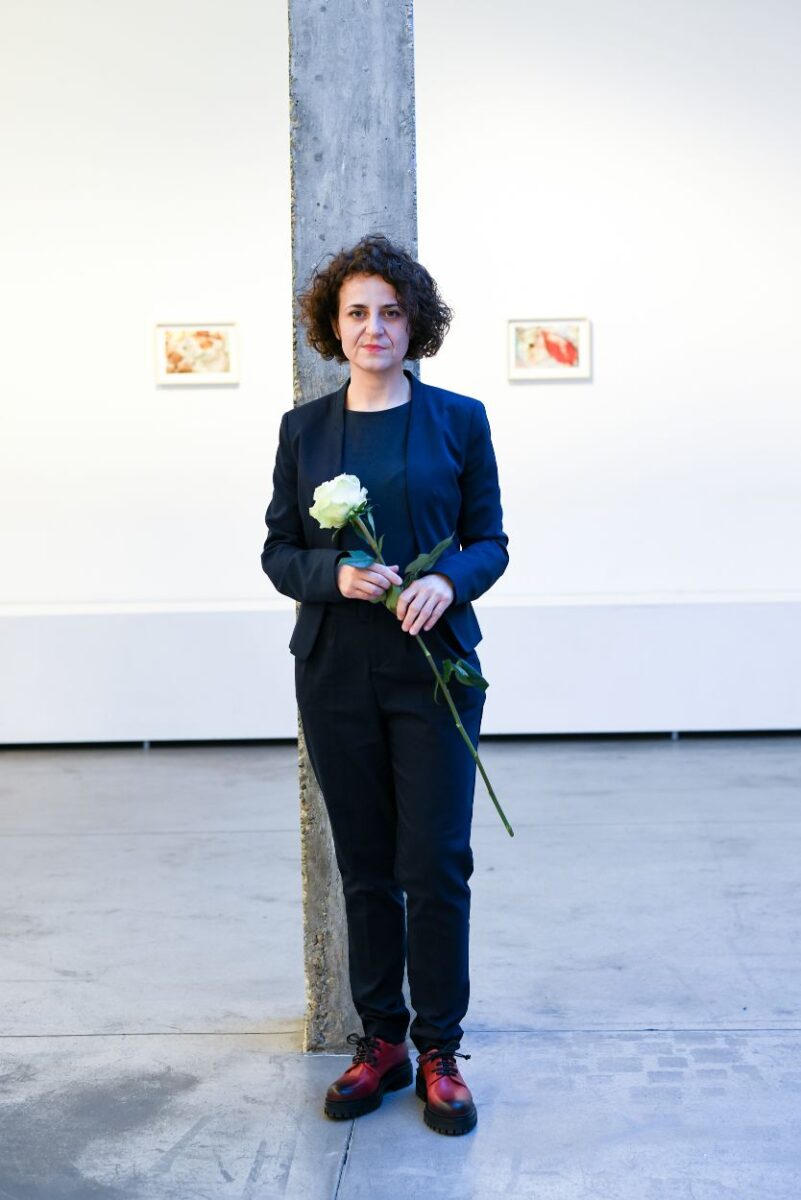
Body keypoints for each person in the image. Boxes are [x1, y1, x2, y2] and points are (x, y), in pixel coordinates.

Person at [260, 234, 508, 1136]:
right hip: (336, 671)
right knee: (365, 865)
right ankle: (382, 1041)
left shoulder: (459, 420)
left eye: (391, 312)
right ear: (334, 327)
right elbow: (278, 551)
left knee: (435, 863)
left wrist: (449, 581)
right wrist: (332, 575)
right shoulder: (303, 429)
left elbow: (490, 540)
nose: (374, 327)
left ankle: (440, 1049)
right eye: (357, 312)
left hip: (434, 669)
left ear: (415, 324)